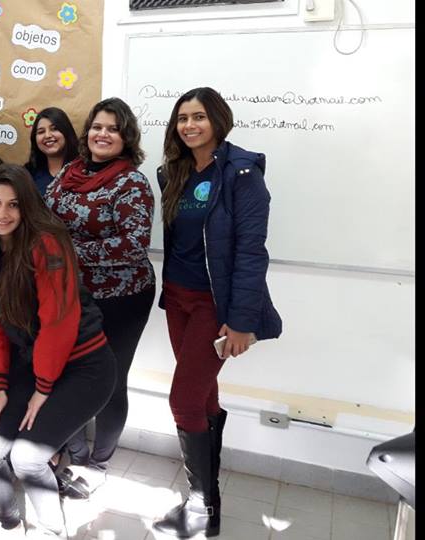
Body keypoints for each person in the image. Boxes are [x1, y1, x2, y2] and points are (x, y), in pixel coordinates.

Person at [152, 87, 282, 538]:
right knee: (203, 396)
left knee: (183, 400)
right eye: (182, 118)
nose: (189, 125)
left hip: (214, 304)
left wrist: (242, 320)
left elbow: (251, 250)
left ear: (218, 121)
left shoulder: (242, 172)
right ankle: (210, 505)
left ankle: (200, 506)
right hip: (178, 299)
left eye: (199, 117)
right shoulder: (173, 172)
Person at [0, 164, 117, 537]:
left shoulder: (47, 242)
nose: (3, 213)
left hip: (84, 367)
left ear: (28, 206)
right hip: (38, 364)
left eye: (14, 204)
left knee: (28, 458)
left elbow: (58, 322)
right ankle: (9, 522)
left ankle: (53, 531)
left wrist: (43, 387)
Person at [45, 98, 156, 476]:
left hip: (122, 298)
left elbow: (134, 244)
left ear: (126, 137)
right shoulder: (70, 172)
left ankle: (99, 463)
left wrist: (67, 252)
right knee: (67, 376)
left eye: (113, 129)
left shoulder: (132, 182)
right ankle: (75, 453)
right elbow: (44, 216)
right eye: (97, 126)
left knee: (110, 381)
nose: (102, 134)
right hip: (70, 294)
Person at [26, 107, 79, 196]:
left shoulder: (84, 170)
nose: (47, 135)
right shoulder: (28, 174)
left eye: (54, 129)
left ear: (66, 132)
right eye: (41, 132)